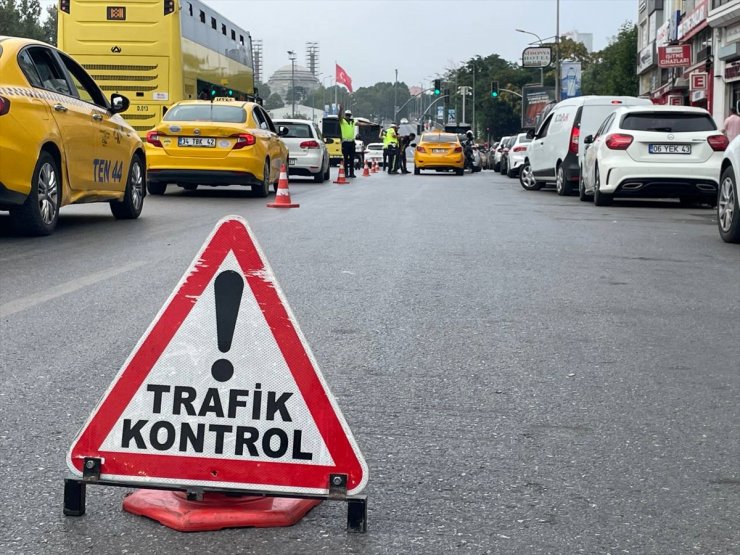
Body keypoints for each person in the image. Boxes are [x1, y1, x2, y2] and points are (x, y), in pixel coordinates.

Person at [338, 107, 356, 178]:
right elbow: (339, 117)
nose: (348, 116)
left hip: (352, 143)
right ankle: (346, 173)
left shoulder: (352, 122)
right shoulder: (342, 121)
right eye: (347, 115)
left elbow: (359, 123)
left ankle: (352, 173)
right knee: (345, 158)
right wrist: (340, 110)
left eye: (349, 115)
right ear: (345, 115)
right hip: (345, 143)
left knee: (352, 158)